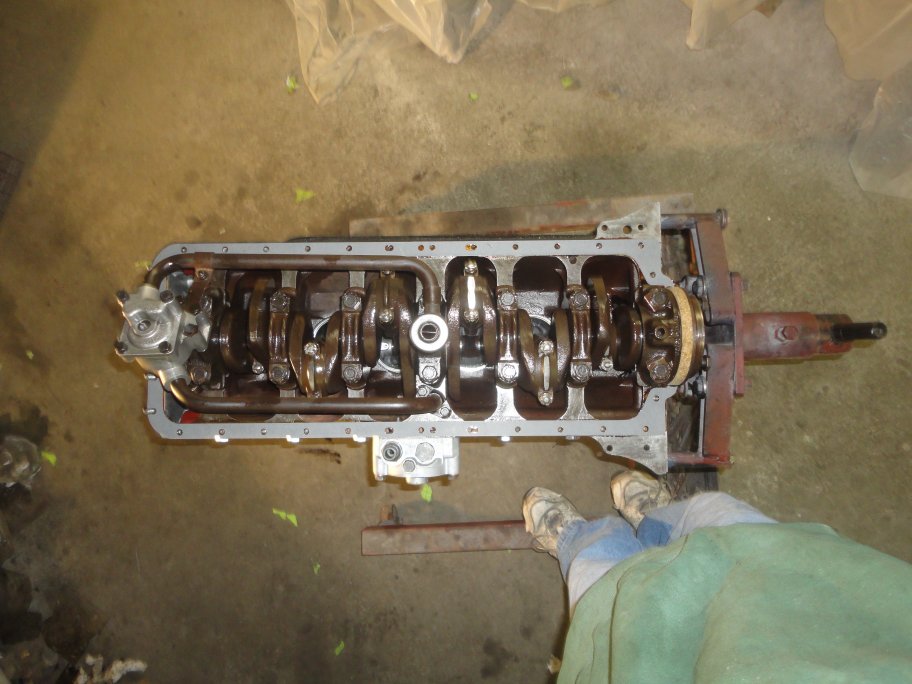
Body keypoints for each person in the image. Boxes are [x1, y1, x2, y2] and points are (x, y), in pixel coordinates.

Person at [522, 471, 912, 683]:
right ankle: (657, 519)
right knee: (716, 514)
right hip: (798, 605)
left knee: (599, 579)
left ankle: (573, 536)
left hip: (640, 664)